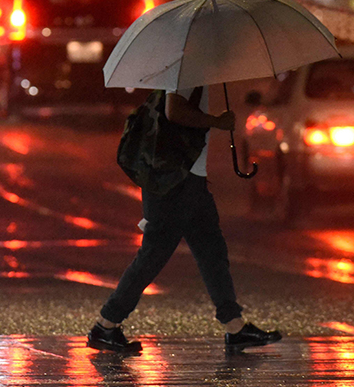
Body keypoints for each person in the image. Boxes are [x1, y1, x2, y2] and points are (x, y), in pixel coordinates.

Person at [88, 86, 282, 354]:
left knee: (211, 251)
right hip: (175, 180)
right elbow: (174, 111)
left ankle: (235, 326)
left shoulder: (193, 71)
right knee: (155, 254)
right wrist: (216, 121)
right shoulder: (186, 69)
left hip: (188, 179)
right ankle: (106, 325)